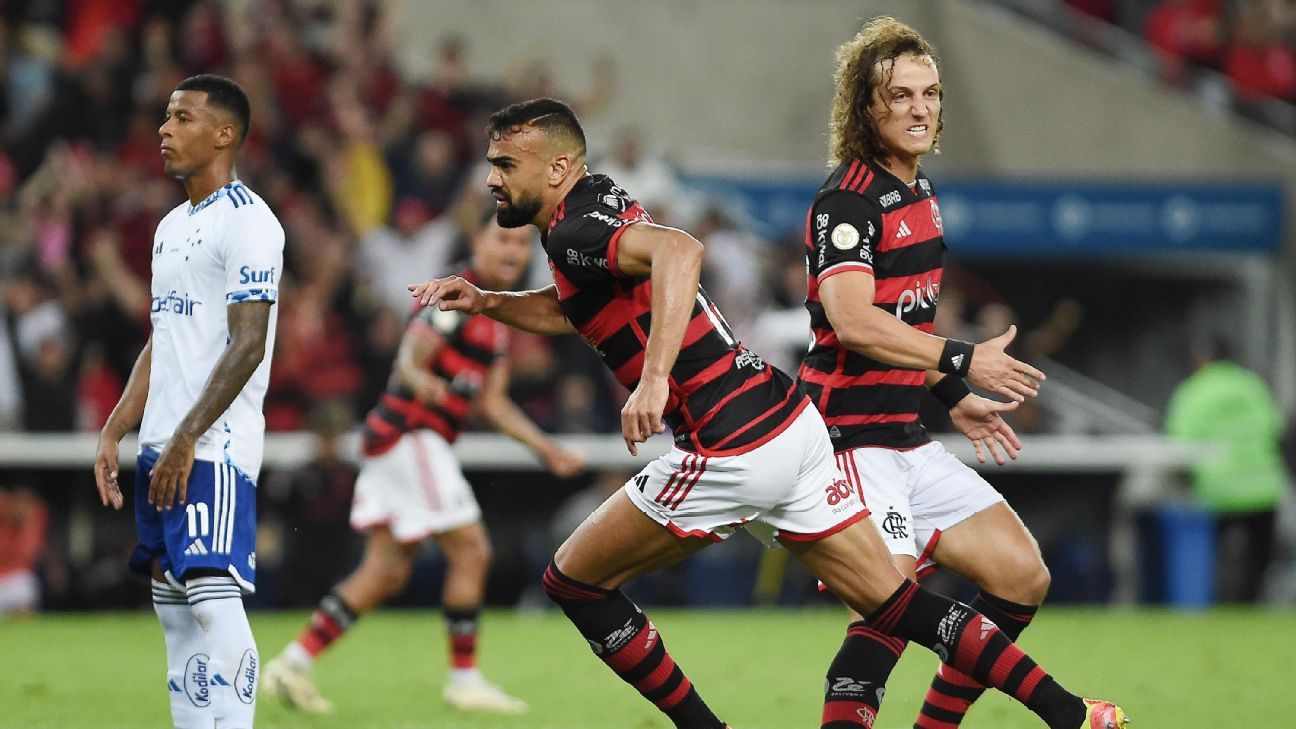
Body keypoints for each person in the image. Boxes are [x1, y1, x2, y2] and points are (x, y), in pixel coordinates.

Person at [409, 97, 1127, 729]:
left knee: (572, 580)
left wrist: (654, 379)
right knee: (896, 606)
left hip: (728, 445)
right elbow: (582, 307)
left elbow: (681, 252)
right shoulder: (591, 209)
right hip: (791, 423)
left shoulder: (572, 233)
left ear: (558, 168)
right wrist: (489, 301)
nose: (492, 177)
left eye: (505, 162)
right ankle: (1071, 712)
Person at [796, 18, 1092, 729]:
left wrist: (953, 394)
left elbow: (907, 324)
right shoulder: (848, 199)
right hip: (845, 440)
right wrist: (964, 358)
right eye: (900, 95)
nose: (920, 108)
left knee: (1022, 575)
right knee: (885, 611)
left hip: (903, 435)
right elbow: (852, 319)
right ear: (867, 108)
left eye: (929, 93)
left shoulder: (921, 190)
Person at [261, 215, 586, 714]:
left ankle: (291, 665)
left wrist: (547, 449)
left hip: (397, 442)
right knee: (472, 550)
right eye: (501, 237)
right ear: (476, 240)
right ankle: (464, 680)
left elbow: (493, 404)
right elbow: (413, 351)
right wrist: (418, 377)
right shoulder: (458, 293)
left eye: (521, 242)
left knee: (385, 572)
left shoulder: (495, 311)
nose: (512, 250)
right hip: (412, 436)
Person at [93, 74, 282, 729]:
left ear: (223, 133)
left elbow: (248, 342)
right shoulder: (171, 226)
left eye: (181, 118)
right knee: (175, 616)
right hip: (162, 445)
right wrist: (119, 423)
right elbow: (166, 333)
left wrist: (185, 437)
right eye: (166, 118)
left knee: (213, 605)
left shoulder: (251, 223)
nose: (163, 131)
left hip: (212, 446)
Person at [1165, 335, 1288, 602]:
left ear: (1200, 360)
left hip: (1216, 489)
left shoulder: (1193, 391)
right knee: (1258, 560)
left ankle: (1213, 602)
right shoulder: (1252, 385)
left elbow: (1180, 444)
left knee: (1209, 559)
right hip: (1263, 487)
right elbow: (1276, 430)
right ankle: (1251, 603)